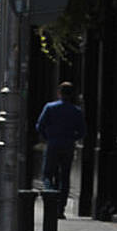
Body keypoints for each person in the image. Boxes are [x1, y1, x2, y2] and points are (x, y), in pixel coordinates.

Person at [35, 82, 86, 218]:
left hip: (52, 144)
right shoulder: (76, 111)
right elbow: (82, 131)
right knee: (64, 177)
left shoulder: (50, 108)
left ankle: (49, 200)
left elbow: (40, 125)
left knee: (48, 174)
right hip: (68, 145)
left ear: (59, 93)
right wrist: (72, 138)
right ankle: (60, 208)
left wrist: (48, 137)